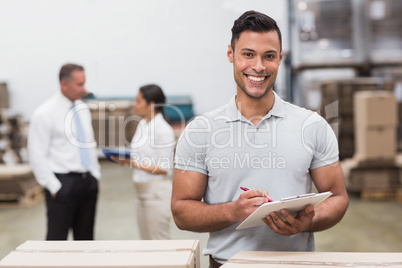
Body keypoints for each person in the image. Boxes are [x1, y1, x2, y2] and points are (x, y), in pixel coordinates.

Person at [171, 10, 349, 267]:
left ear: (280, 58)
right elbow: (181, 211)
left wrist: (308, 220)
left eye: (269, 56)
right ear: (231, 54)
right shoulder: (201, 131)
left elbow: (338, 197)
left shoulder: (311, 126)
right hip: (226, 263)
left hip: (295, 264)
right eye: (248, 54)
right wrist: (232, 211)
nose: (258, 66)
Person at [28, 63, 100, 240]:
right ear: (64, 84)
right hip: (62, 185)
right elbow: (37, 154)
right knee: (56, 241)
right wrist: (54, 186)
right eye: (79, 84)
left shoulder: (82, 109)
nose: (84, 89)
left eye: (84, 83)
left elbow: (88, 144)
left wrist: (95, 175)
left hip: (87, 183)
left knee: (85, 242)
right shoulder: (44, 114)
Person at [112, 84, 176, 240]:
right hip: (141, 192)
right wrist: (126, 160)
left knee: (158, 245)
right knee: (146, 244)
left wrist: (132, 163)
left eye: (138, 101)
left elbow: (165, 168)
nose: (135, 105)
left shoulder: (163, 130)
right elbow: (140, 157)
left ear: (152, 104)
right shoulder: (142, 124)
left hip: (156, 194)